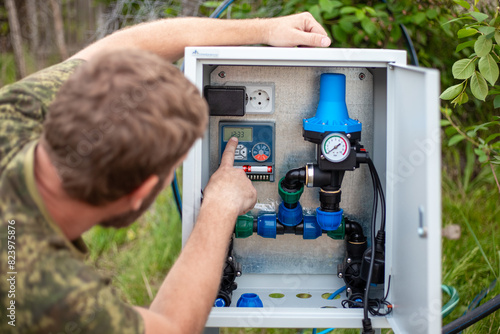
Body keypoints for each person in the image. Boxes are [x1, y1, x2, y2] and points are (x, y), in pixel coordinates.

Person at [0, 13, 330, 334]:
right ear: (140, 191)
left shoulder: (14, 111)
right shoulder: (47, 293)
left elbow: (128, 45)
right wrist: (220, 206)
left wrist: (266, 29)